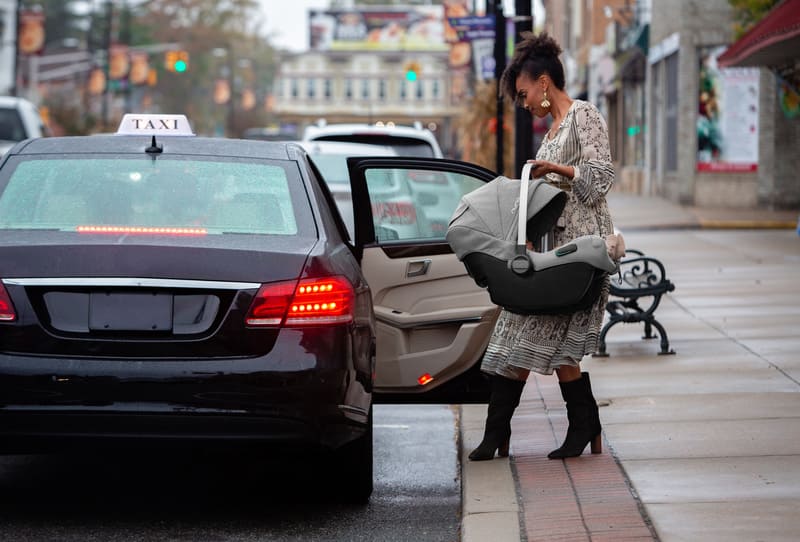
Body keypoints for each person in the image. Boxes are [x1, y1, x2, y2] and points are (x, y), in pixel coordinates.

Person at [469, 31, 616, 461]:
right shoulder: (552, 129)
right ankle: (572, 427)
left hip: (582, 252)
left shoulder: (583, 115)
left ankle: (503, 434)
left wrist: (556, 169)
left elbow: (601, 179)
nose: (524, 102)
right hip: (554, 251)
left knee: (533, 332)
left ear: (545, 83)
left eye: (525, 92)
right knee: (528, 333)